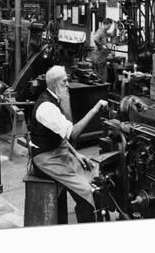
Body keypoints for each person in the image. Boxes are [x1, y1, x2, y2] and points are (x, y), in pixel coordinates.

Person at [29, 65, 108, 223]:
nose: (68, 85)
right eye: (64, 81)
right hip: (45, 159)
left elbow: (62, 136)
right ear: (54, 84)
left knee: (93, 175)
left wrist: (76, 154)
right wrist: (95, 109)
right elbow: (72, 133)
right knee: (86, 192)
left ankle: (94, 215)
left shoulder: (55, 100)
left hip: (58, 151)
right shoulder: (47, 107)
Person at [91, 17, 113, 82]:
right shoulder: (101, 31)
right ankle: (102, 88)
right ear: (106, 24)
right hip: (99, 57)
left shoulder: (104, 32)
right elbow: (95, 39)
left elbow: (110, 35)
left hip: (100, 57)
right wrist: (101, 47)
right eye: (109, 26)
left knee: (99, 75)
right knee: (102, 75)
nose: (109, 28)